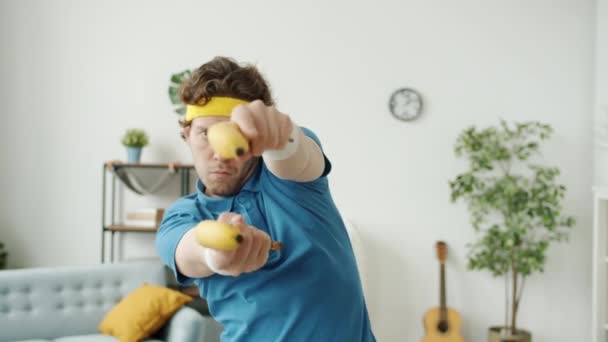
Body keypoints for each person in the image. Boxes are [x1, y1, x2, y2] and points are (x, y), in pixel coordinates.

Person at [156, 56, 376, 341]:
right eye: (204, 133)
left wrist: (281, 139)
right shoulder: (181, 216)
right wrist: (217, 254)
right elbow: (191, 251)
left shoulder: (291, 179)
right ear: (187, 134)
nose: (220, 153)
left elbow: (295, 155)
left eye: (236, 135)